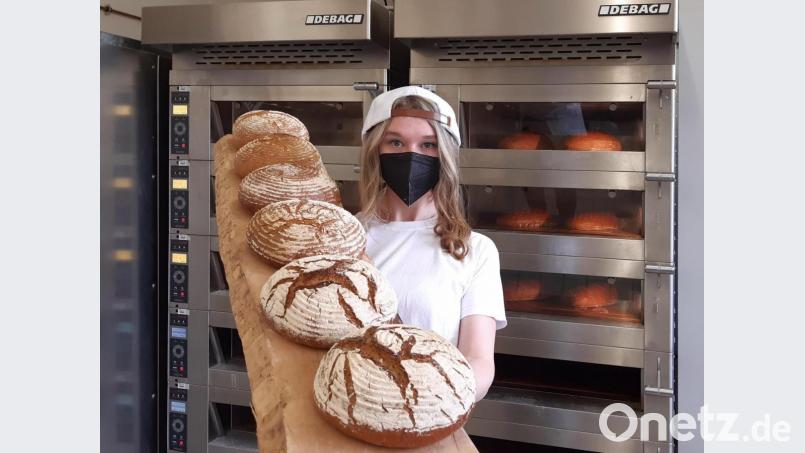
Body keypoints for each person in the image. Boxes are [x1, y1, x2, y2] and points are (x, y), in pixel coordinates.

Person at [356, 86, 506, 402]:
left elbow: (478, 362)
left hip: (432, 419)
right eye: (395, 142)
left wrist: (430, 403)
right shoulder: (345, 238)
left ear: (445, 156)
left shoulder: (474, 250)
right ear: (375, 150)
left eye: (428, 145)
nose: (412, 155)